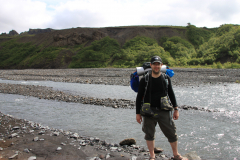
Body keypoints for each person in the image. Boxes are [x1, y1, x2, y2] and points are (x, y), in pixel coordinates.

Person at [136, 56, 186, 160]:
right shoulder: (145, 79)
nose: (156, 66)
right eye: (154, 64)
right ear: (151, 65)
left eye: (158, 64)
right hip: (148, 111)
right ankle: (152, 156)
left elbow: (171, 94)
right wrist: (138, 113)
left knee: (172, 132)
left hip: (164, 111)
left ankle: (176, 155)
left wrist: (176, 109)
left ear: (161, 65)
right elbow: (139, 97)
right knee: (149, 134)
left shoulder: (166, 78)